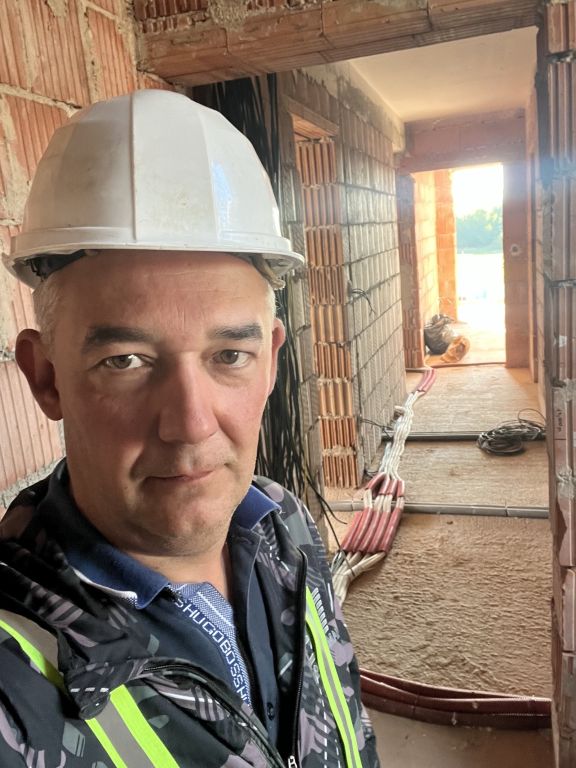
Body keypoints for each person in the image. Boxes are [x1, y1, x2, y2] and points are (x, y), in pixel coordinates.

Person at [0, 90, 379, 767]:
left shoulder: (284, 527)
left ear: (271, 363)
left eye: (229, 356)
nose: (191, 425)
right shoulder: (16, 672)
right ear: (46, 376)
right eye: (125, 361)